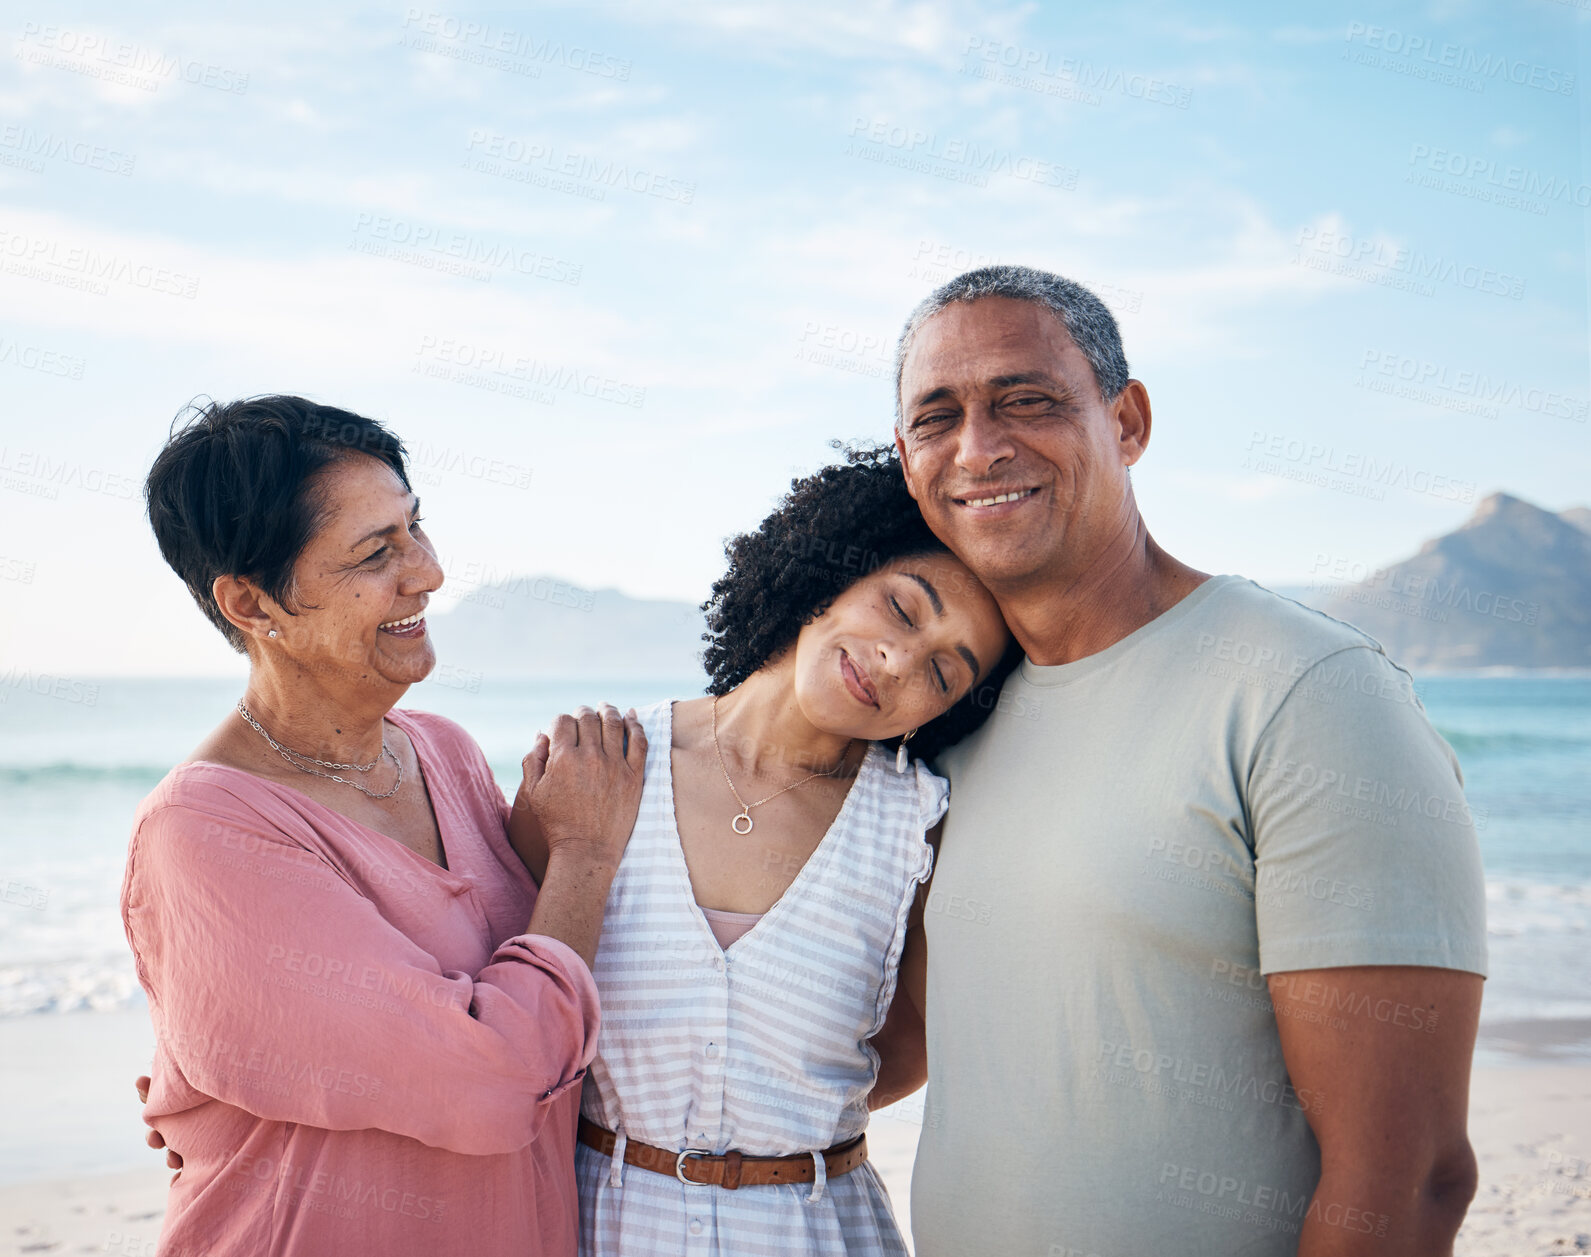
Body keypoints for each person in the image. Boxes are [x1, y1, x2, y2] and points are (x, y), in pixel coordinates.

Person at [891, 266, 1489, 1256]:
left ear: (1126, 422)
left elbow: (1412, 1177)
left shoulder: (1306, 691)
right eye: (935, 417)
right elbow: (901, 1044)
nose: (978, 447)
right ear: (907, 461)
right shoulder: (949, 718)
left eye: (1025, 401)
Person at [125, 395, 645, 1257]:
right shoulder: (203, 830)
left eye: (415, 528)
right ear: (252, 605)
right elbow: (495, 1082)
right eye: (376, 552)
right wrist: (586, 852)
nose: (428, 572)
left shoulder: (442, 748)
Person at [507, 446, 1021, 1255]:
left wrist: (778, 1129)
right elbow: (515, 1013)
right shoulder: (603, 765)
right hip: (603, 1224)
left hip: (817, 1227)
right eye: (900, 607)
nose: (897, 660)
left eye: (942, 672)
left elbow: (912, 1038)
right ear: (832, 569)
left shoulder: (918, 827)